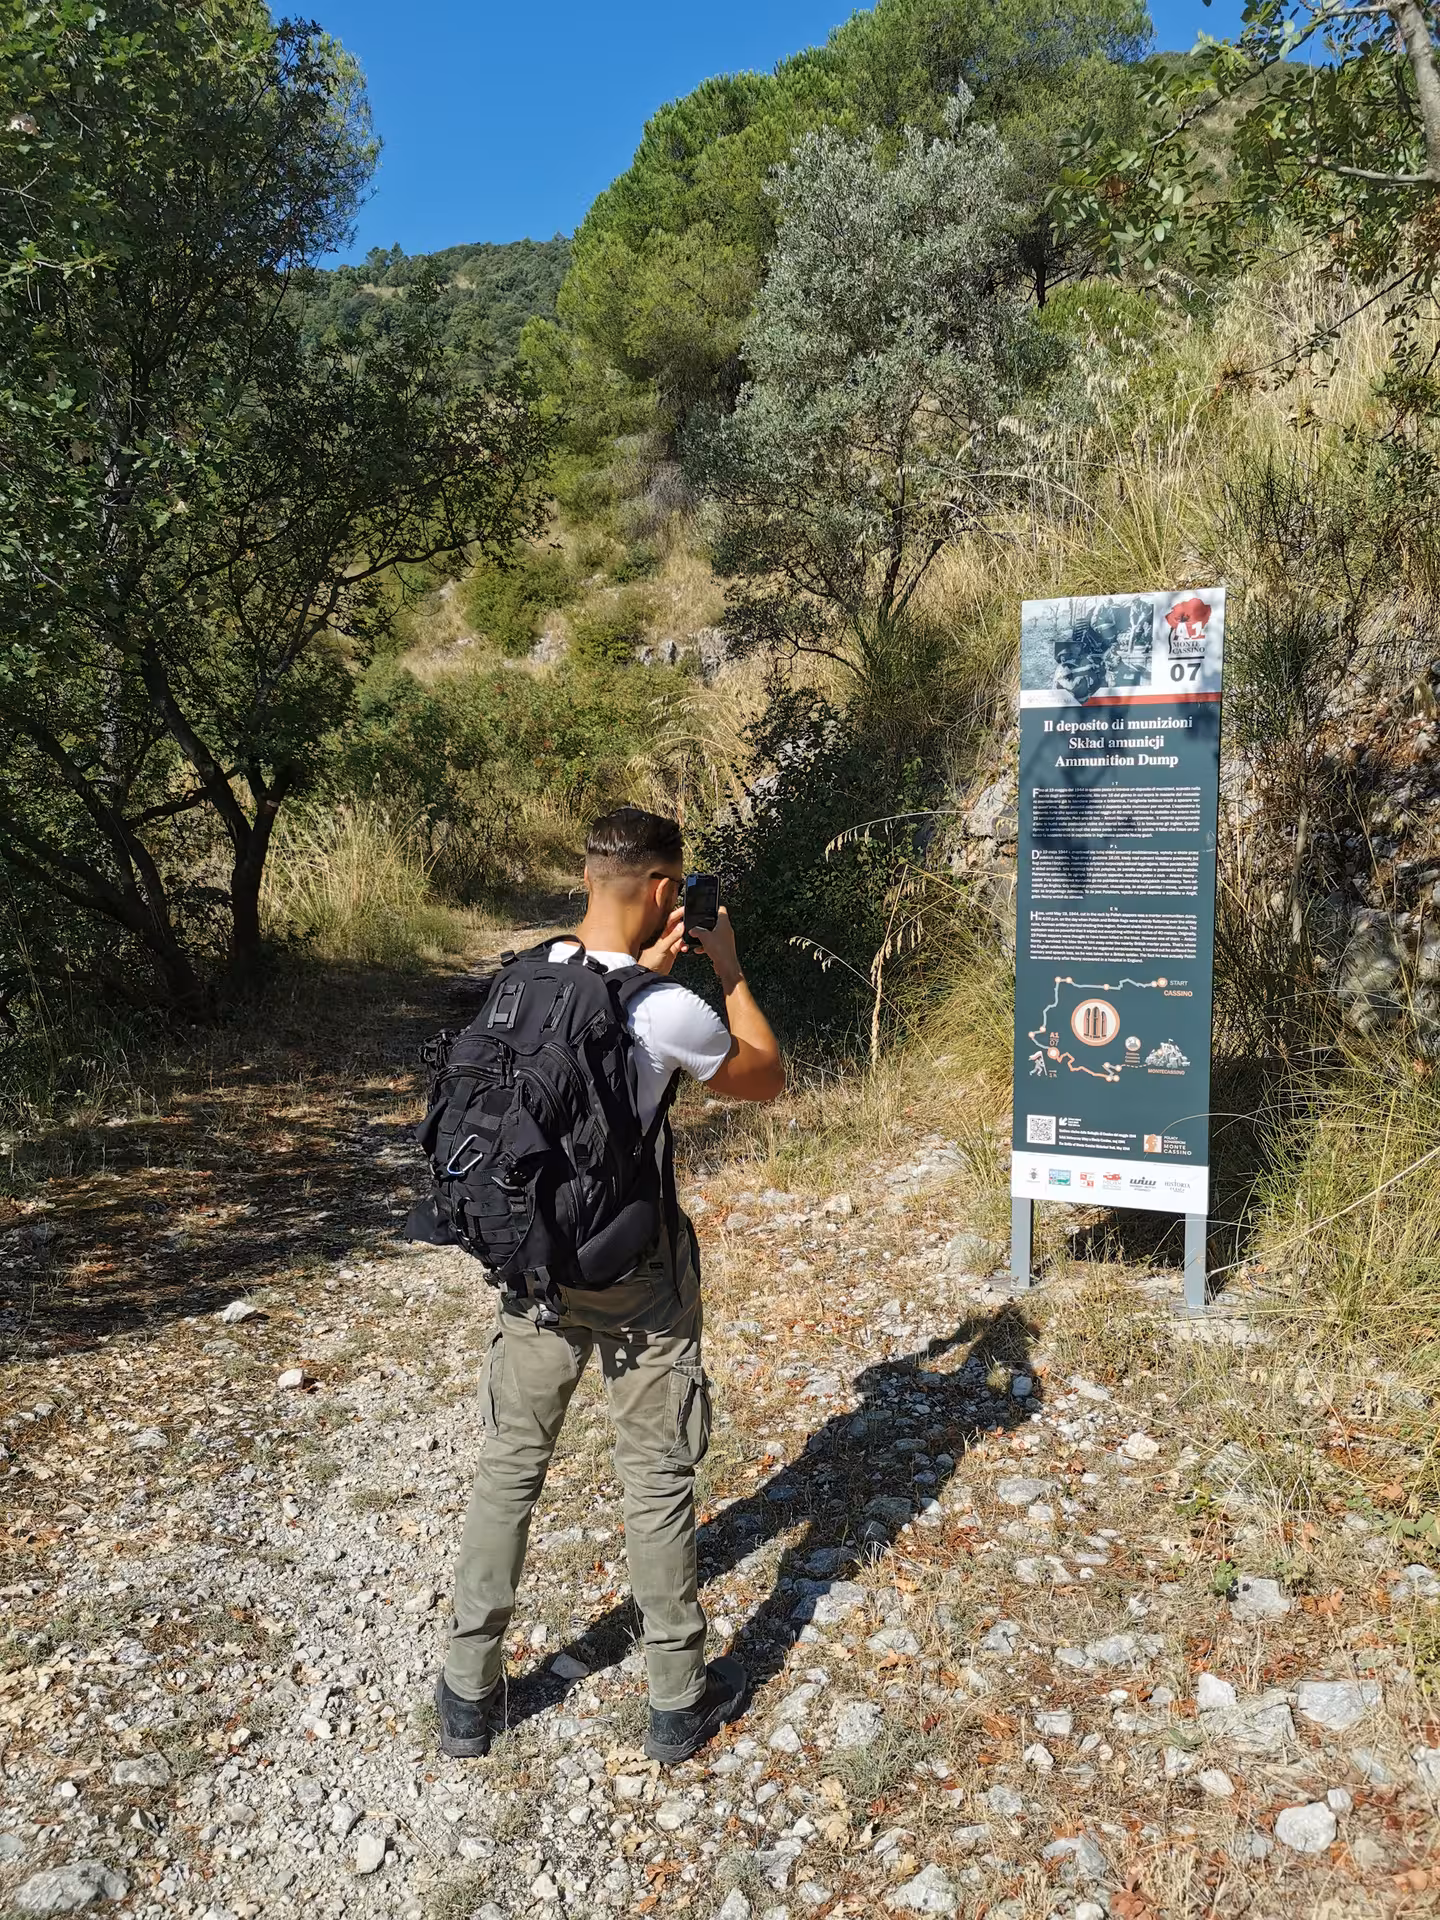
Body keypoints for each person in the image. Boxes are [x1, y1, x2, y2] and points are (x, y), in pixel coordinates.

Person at [434, 806, 785, 1766]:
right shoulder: (666, 1009)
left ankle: (467, 1692)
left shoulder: (520, 980)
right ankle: (676, 1697)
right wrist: (731, 966)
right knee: (657, 1475)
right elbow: (765, 1077)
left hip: (536, 1270)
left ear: (590, 880)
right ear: (667, 891)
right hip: (636, 1278)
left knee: (511, 1465)